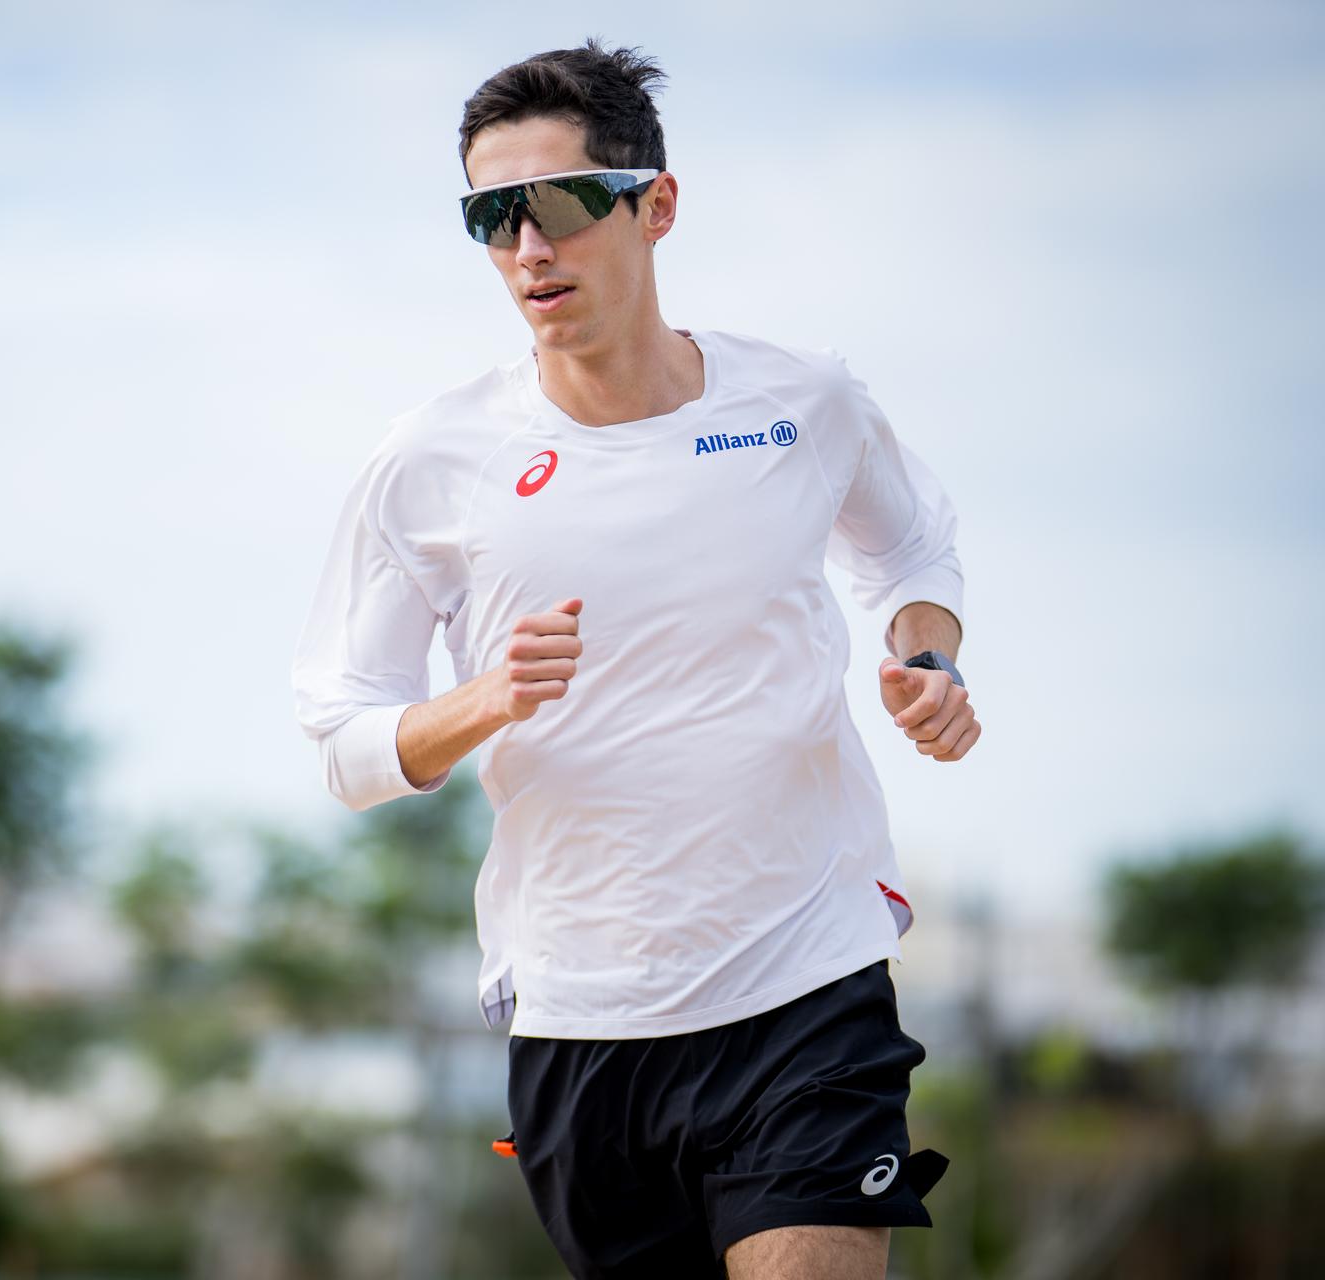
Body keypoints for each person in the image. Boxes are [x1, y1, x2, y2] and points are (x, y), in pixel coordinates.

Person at [291, 39, 976, 1280]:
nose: (526, 251)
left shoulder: (802, 403)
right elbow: (345, 744)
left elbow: (912, 549)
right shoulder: (433, 458)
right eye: (491, 218)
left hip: (805, 982)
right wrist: (481, 700)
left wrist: (931, 660)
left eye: (555, 205)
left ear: (654, 203)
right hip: (580, 1015)